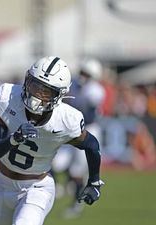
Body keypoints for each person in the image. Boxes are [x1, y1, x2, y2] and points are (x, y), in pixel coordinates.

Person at [0, 56, 104, 225]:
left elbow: (91, 145)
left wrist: (94, 181)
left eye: (46, 91)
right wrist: (13, 139)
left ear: (59, 94)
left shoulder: (66, 119)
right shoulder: (8, 98)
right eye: (35, 85)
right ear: (27, 80)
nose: (37, 94)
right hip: (1, 184)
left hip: (36, 188)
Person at [52, 58, 105, 218]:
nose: (82, 76)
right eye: (82, 72)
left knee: (77, 170)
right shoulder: (74, 83)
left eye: (86, 74)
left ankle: (76, 204)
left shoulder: (95, 90)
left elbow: (84, 107)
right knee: (55, 162)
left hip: (88, 130)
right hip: (70, 129)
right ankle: (59, 185)